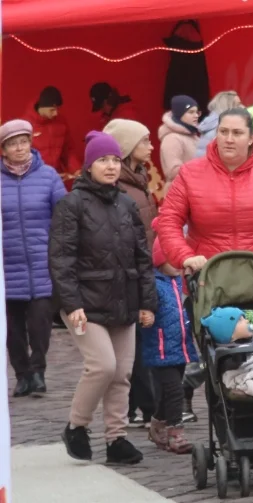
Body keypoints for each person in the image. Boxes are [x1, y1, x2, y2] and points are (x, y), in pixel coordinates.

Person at [50, 131, 157, 464]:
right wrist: (71, 304)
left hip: (123, 299)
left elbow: (143, 257)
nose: (110, 166)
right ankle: (77, 426)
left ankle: (116, 439)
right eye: (102, 160)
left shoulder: (126, 203)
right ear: (89, 165)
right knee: (102, 366)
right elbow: (61, 258)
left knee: (122, 372)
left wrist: (146, 303)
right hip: (84, 302)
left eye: (114, 159)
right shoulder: (71, 205)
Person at [156, 107, 253, 275]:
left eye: (237, 133)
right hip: (206, 277)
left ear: (251, 138)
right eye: (223, 132)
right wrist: (185, 256)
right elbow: (168, 221)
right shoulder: (190, 172)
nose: (229, 139)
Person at [1, 119, 67, 397]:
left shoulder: (49, 176)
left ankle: (38, 370)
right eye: (12, 143)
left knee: (40, 323)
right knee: (12, 329)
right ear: (3, 150)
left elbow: (63, 216)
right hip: (7, 265)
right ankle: (22, 375)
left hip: (42, 261)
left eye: (24, 141)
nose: (19, 148)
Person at [103, 118, 159, 428]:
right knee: (133, 343)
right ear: (127, 147)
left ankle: (143, 403)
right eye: (144, 141)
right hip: (131, 273)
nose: (150, 146)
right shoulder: (121, 187)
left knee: (142, 339)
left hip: (145, 268)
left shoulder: (138, 178)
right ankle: (142, 405)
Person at [142, 231, 198, 454]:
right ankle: (176, 434)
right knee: (176, 391)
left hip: (181, 347)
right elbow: (145, 306)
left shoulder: (180, 282)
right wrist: (146, 315)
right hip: (161, 348)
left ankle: (157, 425)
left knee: (167, 394)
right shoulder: (153, 284)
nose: (177, 265)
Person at [23, 86, 79, 190]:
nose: (56, 113)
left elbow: (68, 150)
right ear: (42, 106)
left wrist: (75, 169)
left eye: (57, 109)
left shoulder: (61, 122)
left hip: (57, 179)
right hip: (34, 182)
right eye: (52, 110)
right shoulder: (26, 125)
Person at [159, 95, 200, 193]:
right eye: (191, 112)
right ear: (180, 114)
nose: (196, 115)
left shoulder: (193, 136)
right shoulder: (172, 138)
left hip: (195, 191)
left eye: (197, 112)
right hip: (179, 194)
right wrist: (202, 168)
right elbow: (173, 171)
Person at [197, 91, 241, 159]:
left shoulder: (212, 124)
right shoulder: (221, 127)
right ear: (229, 106)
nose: (242, 107)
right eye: (238, 105)